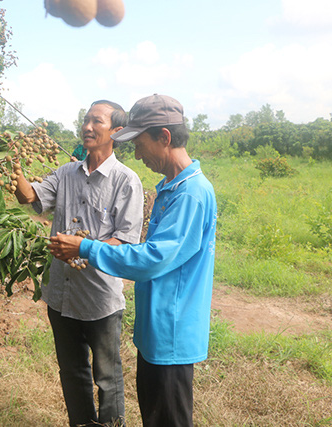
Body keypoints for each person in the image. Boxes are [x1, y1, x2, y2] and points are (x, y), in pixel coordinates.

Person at [48, 94, 218, 427]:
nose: (137, 154)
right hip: (156, 331)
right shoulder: (172, 187)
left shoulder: (192, 194)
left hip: (171, 332)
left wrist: (86, 247)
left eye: (140, 144)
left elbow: (151, 259)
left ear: (164, 138)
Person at [14, 100, 144, 426]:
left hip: (100, 299)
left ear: (116, 131)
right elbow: (30, 197)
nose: (87, 126)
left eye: (96, 121)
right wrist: (13, 170)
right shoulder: (65, 173)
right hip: (61, 296)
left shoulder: (126, 182)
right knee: (72, 373)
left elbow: (126, 243)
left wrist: (82, 247)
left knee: (108, 378)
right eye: (85, 120)